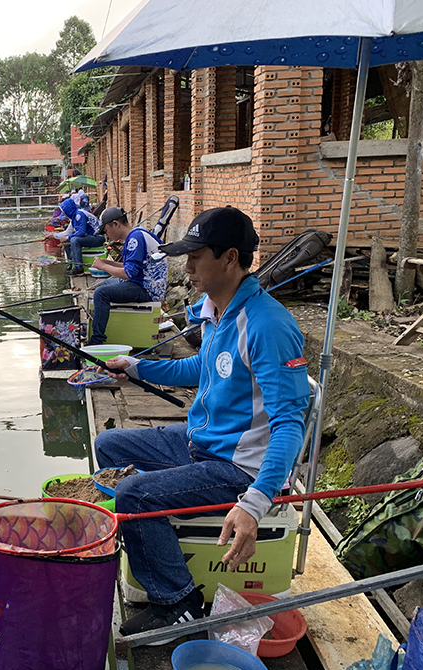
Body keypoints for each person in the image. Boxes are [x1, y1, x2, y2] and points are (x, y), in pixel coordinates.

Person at [95, 206, 311, 636]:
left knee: (134, 494)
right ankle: (153, 537)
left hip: (239, 467)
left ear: (230, 258)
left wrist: (255, 502)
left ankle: (179, 603)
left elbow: (291, 422)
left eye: (196, 256)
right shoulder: (214, 310)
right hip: (202, 443)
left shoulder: (268, 325)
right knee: (110, 447)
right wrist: (136, 368)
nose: (187, 266)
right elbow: (200, 368)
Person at [87, 207, 168, 346]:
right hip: (141, 282)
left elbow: (128, 274)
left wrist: (103, 267)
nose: (107, 235)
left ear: (116, 224)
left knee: (101, 293)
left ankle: (97, 339)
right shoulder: (138, 234)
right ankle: (105, 324)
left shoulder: (134, 239)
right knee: (105, 285)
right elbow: (132, 268)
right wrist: (109, 263)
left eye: (106, 230)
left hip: (148, 289)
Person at [54, 196, 102, 275]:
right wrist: (53, 235)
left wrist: (67, 237)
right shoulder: (74, 217)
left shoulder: (80, 214)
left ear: (68, 209)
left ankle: (78, 268)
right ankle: (71, 263)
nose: (64, 214)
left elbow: (82, 232)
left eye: (64, 211)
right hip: (90, 237)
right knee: (68, 239)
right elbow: (67, 233)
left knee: (74, 240)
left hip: (97, 237)